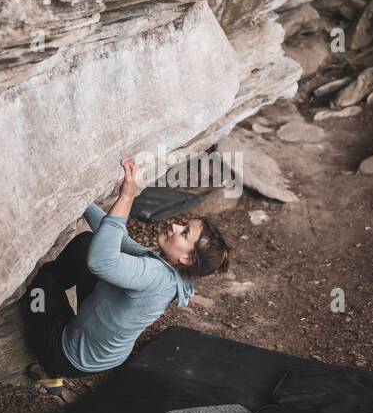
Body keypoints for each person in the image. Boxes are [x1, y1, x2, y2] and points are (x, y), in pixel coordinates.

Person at [25, 157, 230, 381]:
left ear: (188, 258)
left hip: (71, 357)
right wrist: (80, 199)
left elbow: (101, 262)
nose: (175, 225)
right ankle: (62, 316)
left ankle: (50, 368)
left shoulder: (157, 276)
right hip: (106, 353)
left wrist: (127, 196)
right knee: (85, 244)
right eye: (184, 225)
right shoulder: (173, 271)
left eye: (184, 233)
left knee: (40, 285)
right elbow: (119, 239)